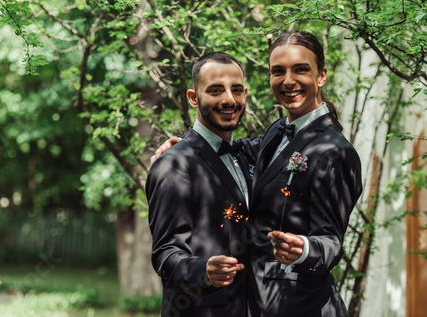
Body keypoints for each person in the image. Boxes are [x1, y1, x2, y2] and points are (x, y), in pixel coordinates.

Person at [151, 31, 363, 316]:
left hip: (301, 305)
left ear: (321, 76)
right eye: (278, 71)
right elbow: (218, 150)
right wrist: (179, 149)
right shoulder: (276, 133)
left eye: (300, 69)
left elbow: (331, 242)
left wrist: (303, 249)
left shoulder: (335, 152)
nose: (288, 80)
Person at [146, 52, 254, 317]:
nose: (229, 99)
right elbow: (165, 254)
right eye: (216, 90)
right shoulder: (173, 165)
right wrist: (203, 270)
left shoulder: (248, 154)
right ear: (193, 97)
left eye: (236, 90)